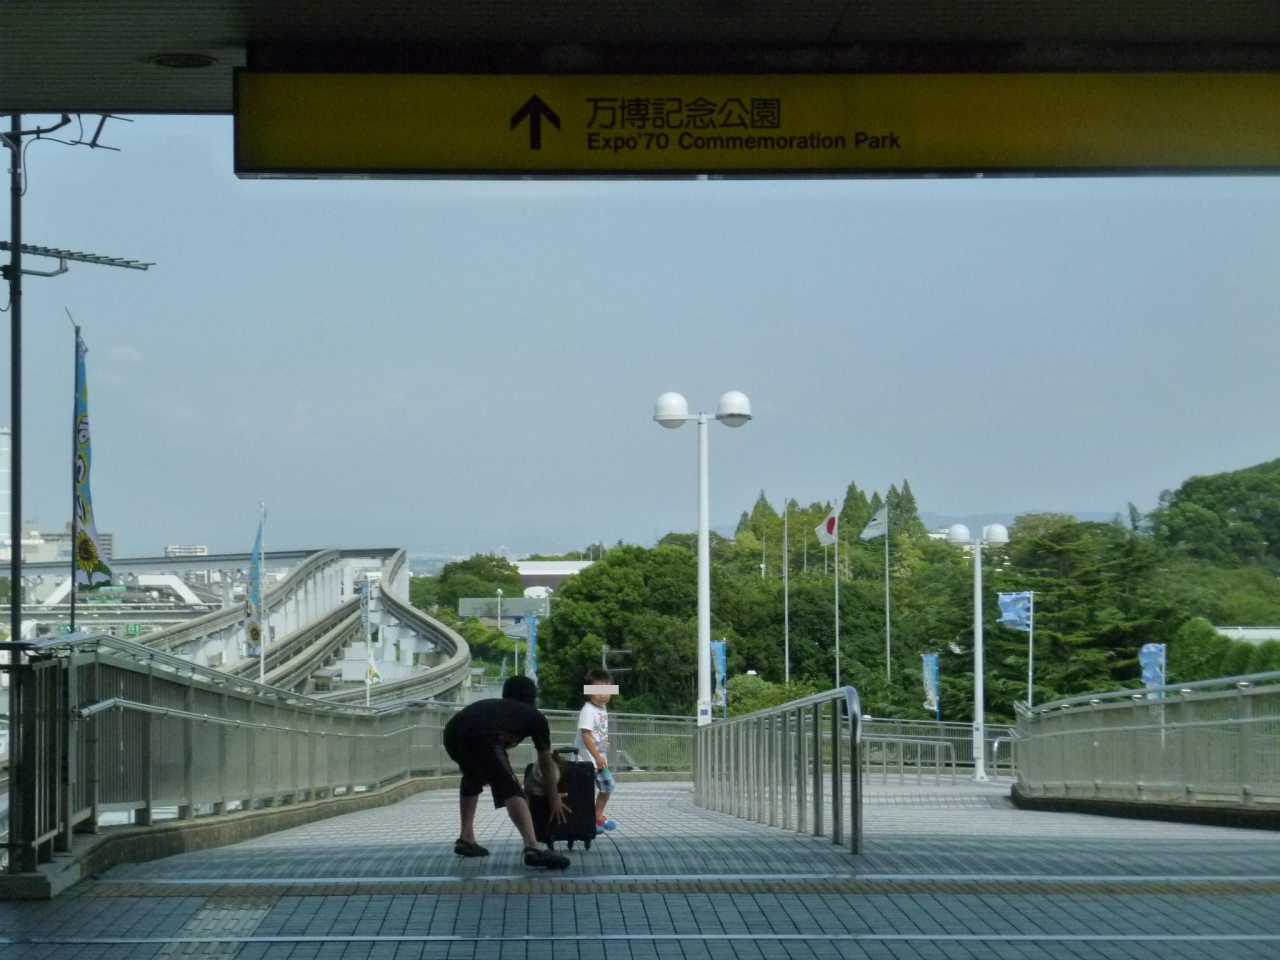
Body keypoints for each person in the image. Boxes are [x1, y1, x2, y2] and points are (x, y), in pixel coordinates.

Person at [442, 675, 571, 869]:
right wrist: (553, 797)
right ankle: (533, 848)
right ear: (532, 697)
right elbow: (545, 761)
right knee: (510, 787)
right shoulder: (534, 716)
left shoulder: (497, 707)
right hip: (485, 736)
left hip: (452, 733)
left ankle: (466, 838)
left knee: (472, 776)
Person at [574, 667, 616, 832]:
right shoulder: (588, 710)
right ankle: (588, 822)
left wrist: (604, 751)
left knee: (608, 786)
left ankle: (597, 817)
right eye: (598, 691)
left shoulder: (602, 709)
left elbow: (601, 733)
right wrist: (597, 756)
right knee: (586, 793)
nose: (603, 695)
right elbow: (585, 735)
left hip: (598, 760)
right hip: (586, 761)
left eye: (607, 691)